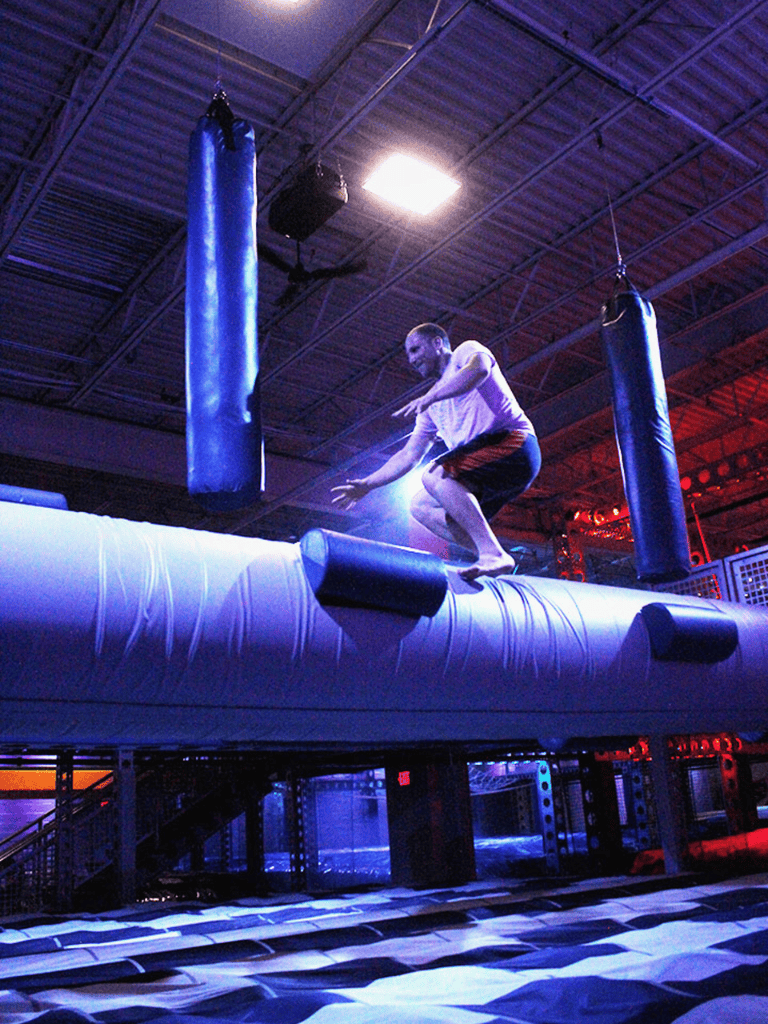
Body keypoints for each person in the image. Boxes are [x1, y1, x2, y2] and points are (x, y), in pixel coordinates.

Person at [331, 323, 541, 580]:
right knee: (419, 504)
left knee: (435, 475)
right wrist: (368, 484)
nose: (412, 359)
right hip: (486, 469)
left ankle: (491, 553)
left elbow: (480, 370)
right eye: (408, 355)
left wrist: (431, 397)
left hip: (514, 444)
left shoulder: (466, 352)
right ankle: (495, 556)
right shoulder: (431, 404)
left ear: (438, 343)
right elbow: (409, 456)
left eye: (416, 349)